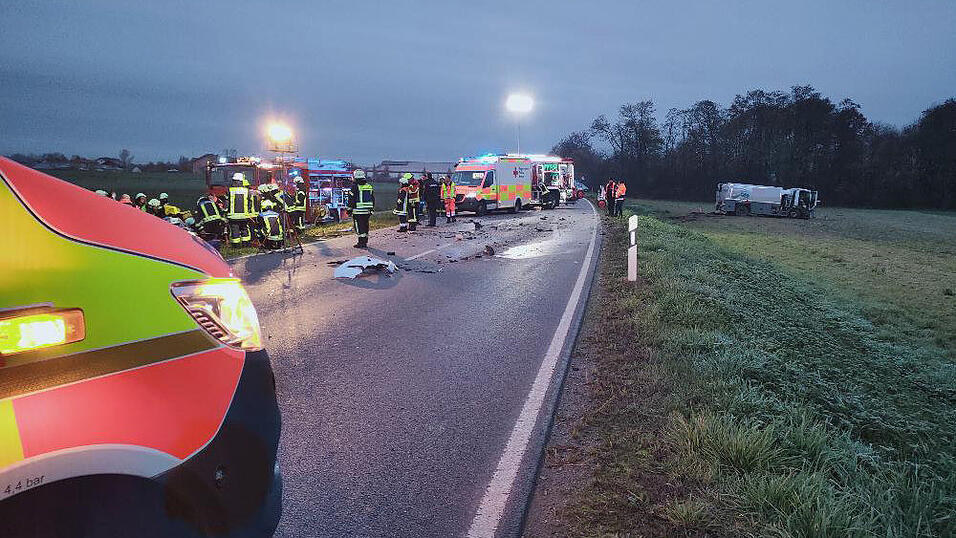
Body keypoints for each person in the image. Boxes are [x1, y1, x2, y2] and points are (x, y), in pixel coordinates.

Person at [348, 169, 374, 248]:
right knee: (365, 225)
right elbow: (373, 198)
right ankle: (365, 241)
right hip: (367, 211)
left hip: (358, 211)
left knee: (359, 226)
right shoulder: (369, 186)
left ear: (355, 177)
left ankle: (361, 243)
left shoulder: (354, 187)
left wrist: (349, 209)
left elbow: (351, 199)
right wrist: (372, 209)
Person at [227, 172, 253, 246]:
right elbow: (250, 203)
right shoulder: (246, 190)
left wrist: (225, 212)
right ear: (241, 181)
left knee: (235, 230)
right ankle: (246, 244)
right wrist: (248, 211)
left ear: (234, 181)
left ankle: (236, 245)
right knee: (244, 229)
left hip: (233, 216)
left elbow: (227, 203)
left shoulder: (230, 190)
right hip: (244, 216)